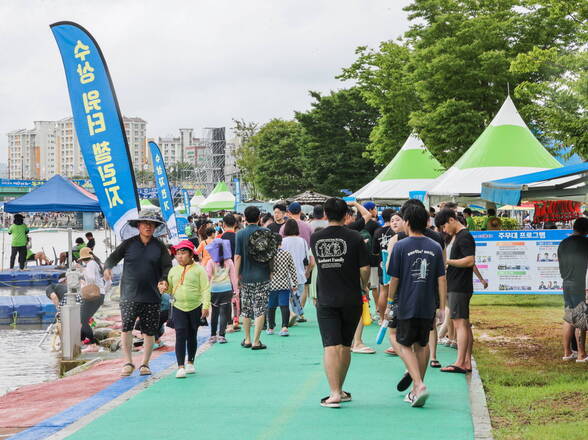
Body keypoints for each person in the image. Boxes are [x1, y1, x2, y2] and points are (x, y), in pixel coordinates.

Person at [311, 197, 370, 408]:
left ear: (325, 214)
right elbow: (364, 268)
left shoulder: (316, 238)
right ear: (346, 214)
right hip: (351, 296)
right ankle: (340, 389)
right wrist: (364, 286)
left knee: (330, 345)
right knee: (345, 345)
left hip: (326, 297)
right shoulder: (355, 237)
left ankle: (334, 393)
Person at [387, 201, 446, 407]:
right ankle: (415, 389)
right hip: (428, 304)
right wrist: (442, 307)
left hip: (406, 303)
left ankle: (418, 384)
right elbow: (441, 279)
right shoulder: (436, 246)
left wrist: (389, 302)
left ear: (408, 222)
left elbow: (394, 279)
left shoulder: (401, 245)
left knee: (403, 344)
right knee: (422, 345)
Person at [104, 212, 172, 377]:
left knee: (149, 331)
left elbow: (167, 267)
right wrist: (107, 268)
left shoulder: (159, 246)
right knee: (126, 329)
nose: (148, 226)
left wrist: (164, 280)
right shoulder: (128, 244)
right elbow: (112, 258)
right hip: (129, 295)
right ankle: (128, 362)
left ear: (155, 227)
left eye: (151, 224)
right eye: (144, 223)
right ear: (138, 225)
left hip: (152, 295)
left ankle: (145, 363)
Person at [435, 208, 476, 374]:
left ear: (452, 220)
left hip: (459, 286)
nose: (444, 230)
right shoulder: (458, 236)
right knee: (464, 324)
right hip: (458, 285)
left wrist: (448, 261)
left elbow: (470, 260)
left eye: (444, 226)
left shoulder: (464, 236)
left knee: (460, 324)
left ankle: (460, 362)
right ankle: (466, 361)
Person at [166, 240, 210, 378]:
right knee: (180, 334)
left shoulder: (199, 270)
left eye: (183, 253)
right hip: (178, 307)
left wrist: (206, 305)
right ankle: (180, 366)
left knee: (192, 335)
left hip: (195, 306)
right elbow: (170, 290)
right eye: (178, 253)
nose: (180, 256)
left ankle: (190, 361)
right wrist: (164, 288)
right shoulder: (173, 271)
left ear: (191, 254)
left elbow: (205, 289)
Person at [235, 206, 272, 350]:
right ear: (259, 218)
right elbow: (271, 255)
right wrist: (271, 271)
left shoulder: (240, 234)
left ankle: (248, 339)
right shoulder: (267, 232)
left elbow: (237, 257)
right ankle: (257, 341)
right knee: (260, 308)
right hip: (262, 276)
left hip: (245, 276)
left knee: (247, 309)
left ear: (245, 217)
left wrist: (236, 276)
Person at [557, 217, 588, 362]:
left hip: (566, 283)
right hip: (580, 284)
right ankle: (581, 354)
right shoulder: (585, 243)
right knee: (581, 318)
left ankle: (567, 352)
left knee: (569, 317)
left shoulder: (563, 243)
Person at [205, 238, 238, 344]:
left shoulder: (210, 262)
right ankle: (222, 336)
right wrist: (236, 291)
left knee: (214, 313)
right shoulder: (229, 261)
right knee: (224, 313)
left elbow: (208, 277)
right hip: (226, 290)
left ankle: (213, 335)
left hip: (214, 290)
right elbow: (233, 277)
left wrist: (204, 290)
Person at [78, 247, 111, 353]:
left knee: (82, 319)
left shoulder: (91, 264)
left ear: (83, 258)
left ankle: (92, 344)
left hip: (94, 295)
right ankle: (87, 341)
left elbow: (91, 278)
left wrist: (82, 270)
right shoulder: (95, 263)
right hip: (98, 295)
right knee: (84, 319)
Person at [281, 219, 313, 324]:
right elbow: (307, 259)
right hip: (300, 273)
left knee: (287, 296)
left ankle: (291, 314)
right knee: (296, 296)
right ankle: (294, 314)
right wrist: (307, 271)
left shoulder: (283, 242)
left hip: (286, 274)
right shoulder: (302, 241)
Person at [267, 235, 299, 336]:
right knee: (284, 306)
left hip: (271, 285)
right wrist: (294, 283)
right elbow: (292, 269)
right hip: (284, 284)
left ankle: (271, 327)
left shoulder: (268, 255)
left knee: (271, 307)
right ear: (281, 242)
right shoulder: (286, 254)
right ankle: (284, 327)